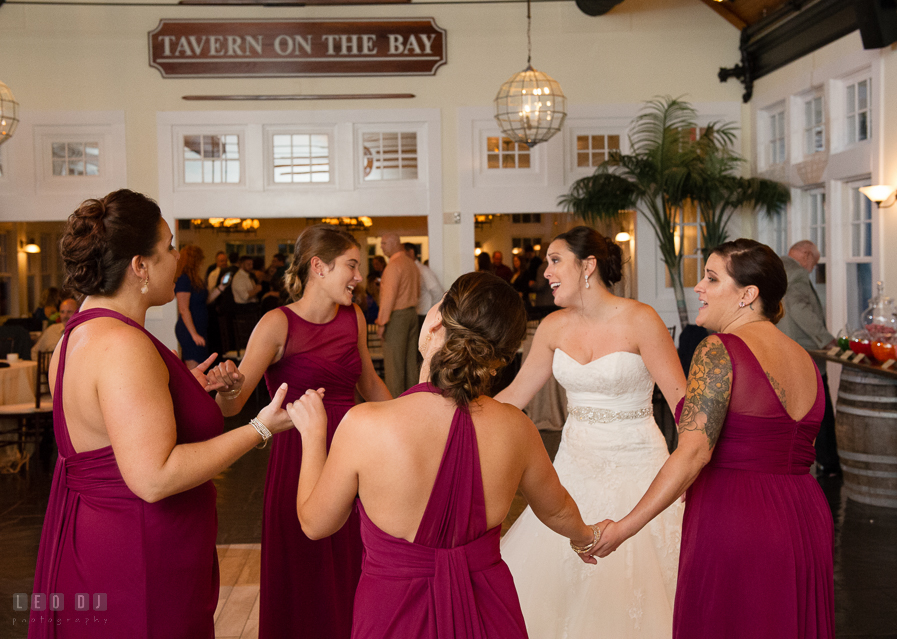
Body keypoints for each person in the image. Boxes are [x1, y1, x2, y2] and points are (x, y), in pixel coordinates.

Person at [29, 189, 293, 638]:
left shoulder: (78, 336)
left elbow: (114, 429)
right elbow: (154, 477)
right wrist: (260, 428)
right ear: (139, 266)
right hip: (140, 552)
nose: (177, 259)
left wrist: (181, 394)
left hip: (103, 538)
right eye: (169, 247)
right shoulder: (123, 347)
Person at [289, 272, 601, 639]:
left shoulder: (365, 424)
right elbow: (558, 509)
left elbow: (315, 523)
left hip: (393, 615)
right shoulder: (517, 429)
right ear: (499, 360)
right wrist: (585, 537)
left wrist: (312, 435)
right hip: (489, 611)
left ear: (436, 321)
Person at [592, 239, 835, 638]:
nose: (698, 288)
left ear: (748, 295)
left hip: (737, 518)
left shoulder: (719, 350)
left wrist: (622, 529)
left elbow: (691, 454)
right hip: (806, 515)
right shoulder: (805, 358)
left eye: (711, 278)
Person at [495, 225, 686, 638]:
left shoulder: (641, 319)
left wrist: (692, 469)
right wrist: (455, 414)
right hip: (572, 467)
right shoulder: (552, 326)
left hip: (639, 465)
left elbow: (682, 403)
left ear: (588, 266)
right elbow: (515, 394)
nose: (545, 271)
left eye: (555, 260)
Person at [205, 225, 391, 639]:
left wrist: (407, 422)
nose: (359, 277)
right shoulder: (276, 323)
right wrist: (229, 386)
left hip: (353, 454)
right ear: (319, 267)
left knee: (353, 561)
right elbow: (235, 405)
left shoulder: (353, 317)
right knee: (303, 568)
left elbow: (370, 384)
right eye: (352, 266)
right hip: (298, 457)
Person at [781, 239, 840, 476]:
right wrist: (825, 338)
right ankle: (829, 464)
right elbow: (799, 309)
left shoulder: (777, 270)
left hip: (783, 352)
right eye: (814, 264)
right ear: (806, 256)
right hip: (805, 354)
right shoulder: (796, 274)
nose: (812, 269)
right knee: (821, 410)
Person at [375, 232, 421, 397]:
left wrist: (381, 323)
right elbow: (417, 291)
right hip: (412, 314)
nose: (381, 246)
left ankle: (395, 404)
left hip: (397, 316)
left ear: (394, 243)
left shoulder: (393, 266)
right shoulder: (411, 264)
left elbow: (389, 298)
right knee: (410, 362)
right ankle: (413, 401)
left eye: (384, 243)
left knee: (394, 364)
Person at [175, 245, 227, 369]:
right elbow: (183, 309)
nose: (202, 262)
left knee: (202, 367)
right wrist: (194, 334)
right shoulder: (184, 279)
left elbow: (205, 300)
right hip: (190, 331)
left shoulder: (196, 279)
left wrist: (221, 287)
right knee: (194, 368)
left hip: (199, 330)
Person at [404, 242, 444, 331]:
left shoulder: (423, 271)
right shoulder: (410, 270)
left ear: (411, 252)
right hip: (416, 314)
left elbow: (437, 291)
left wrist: (433, 311)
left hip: (424, 314)